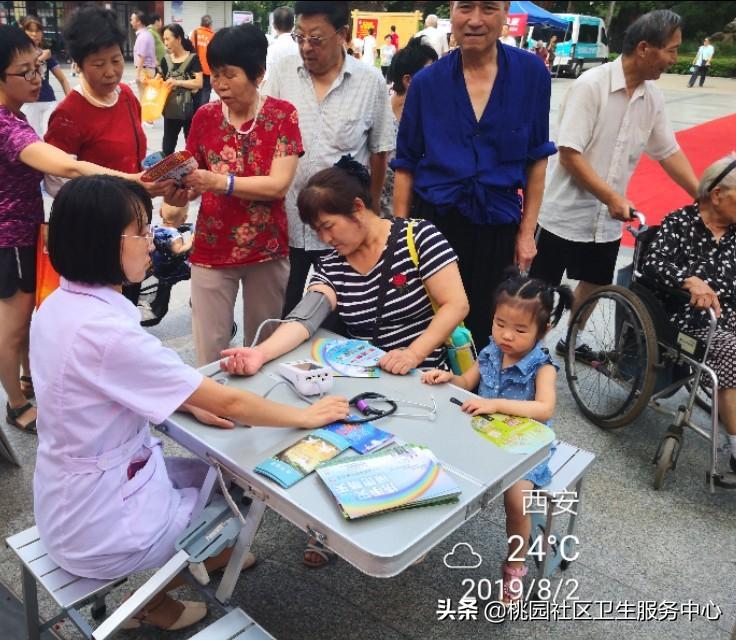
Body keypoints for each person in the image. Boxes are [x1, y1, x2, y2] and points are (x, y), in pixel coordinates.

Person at [31, 174, 348, 632]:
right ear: (104, 243)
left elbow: (105, 389)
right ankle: (155, 598)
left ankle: (209, 555)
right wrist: (304, 415)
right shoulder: (106, 332)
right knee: (238, 487)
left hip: (66, 497)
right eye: (141, 230)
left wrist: (181, 401)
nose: (152, 242)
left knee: (206, 475)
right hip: (99, 526)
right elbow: (229, 403)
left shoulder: (59, 305)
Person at [222, 159, 469, 567]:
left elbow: (456, 303)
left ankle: (411, 519)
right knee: (339, 436)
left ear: (357, 208)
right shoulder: (330, 263)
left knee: (414, 452)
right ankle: (337, 524)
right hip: (365, 376)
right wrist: (260, 352)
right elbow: (306, 319)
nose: (324, 238)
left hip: (425, 375)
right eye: (316, 231)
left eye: (328, 226)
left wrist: (414, 353)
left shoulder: (419, 237)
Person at [0, 24, 165, 434]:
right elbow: (69, 167)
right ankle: (16, 403)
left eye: (36, 65)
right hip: (4, 238)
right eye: (24, 71)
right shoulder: (4, 126)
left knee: (27, 319)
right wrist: (131, 180)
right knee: (13, 327)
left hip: (18, 230)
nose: (37, 78)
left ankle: (26, 380)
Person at [530, 10, 698, 358]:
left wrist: (702, 194)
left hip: (606, 219)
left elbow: (667, 151)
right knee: (541, 285)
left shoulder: (653, 98)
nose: (674, 59)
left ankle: (572, 338)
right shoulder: (592, 85)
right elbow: (569, 154)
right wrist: (610, 196)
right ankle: (529, 345)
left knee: (595, 283)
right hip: (564, 212)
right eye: (671, 50)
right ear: (643, 48)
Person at [392, 0, 556, 352]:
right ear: (451, 10)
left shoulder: (532, 74)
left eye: (489, 9)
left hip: (497, 225)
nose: (475, 20)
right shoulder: (426, 83)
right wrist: (399, 239)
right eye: (465, 7)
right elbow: (405, 164)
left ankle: (476, 401)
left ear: (506, 12)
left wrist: (527, 233)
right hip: (433, 226)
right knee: (428, 324)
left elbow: (536, 159)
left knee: (488, 328)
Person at [422, 270, 573, 604]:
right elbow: (466, 383)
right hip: (482, 437)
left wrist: (495, 403)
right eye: (499, 323)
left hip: (523, 448)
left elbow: (545, 409)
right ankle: (422, 535)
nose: (506, 335)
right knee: (431, 461)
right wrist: (448, 377)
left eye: (520, 330)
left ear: (543, 330)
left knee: (517, 502)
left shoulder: (543, 367)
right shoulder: (491, 351)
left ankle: (515, 565)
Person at [179, 24, 303, 366]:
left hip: (267, 249)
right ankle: (212, 413)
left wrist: (219, 182)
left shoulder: (282, 115)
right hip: (211, 246)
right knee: (209, 348)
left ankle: (253, 414)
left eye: (229, 75)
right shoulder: (204, 116)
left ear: (258, 74)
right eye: (215, 74)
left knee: (261, 349)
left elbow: (278, 185)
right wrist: (177, 192)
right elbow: (193, 179)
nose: (219, 84)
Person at [261, 1, 394, 318]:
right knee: (284, 309)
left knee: (343, 315)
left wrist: (371, 206)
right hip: (289, 218)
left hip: (342, 227)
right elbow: (265, 134)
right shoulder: (283, 72)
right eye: (300, 36)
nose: (306, 47)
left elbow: (379, 150)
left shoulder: (370, 81)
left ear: (342, 34)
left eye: (316, 38)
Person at [641, 155, 736, 482]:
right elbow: (653, 262)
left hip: (734, 317)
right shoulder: (680, 223)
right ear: (717, 194)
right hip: (689, 323)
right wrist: (689, 279)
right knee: (732, 351)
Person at [45, 6, 151, 306]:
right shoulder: (68, 114)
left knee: (129, 301)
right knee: (104, 308)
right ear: (77, 64)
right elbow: (56, 181)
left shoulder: (128, 97)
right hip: (96, 234)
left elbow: (135, 155)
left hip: (132, 224)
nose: (110, 72)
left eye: (116, 60)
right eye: (98, 64)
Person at [380, 38, 438, 215]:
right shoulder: (378, 118)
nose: (439, 81)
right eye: (432, 75)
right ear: (408, 80)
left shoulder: (433, 117)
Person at [141, 202, 192, 327]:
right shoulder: (174, 234)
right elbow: (178, 250)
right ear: (184, 218)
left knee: (162, 291)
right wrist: (192, 240)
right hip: (173, 270)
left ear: (160, 212)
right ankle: (199, 299)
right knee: (197, 268)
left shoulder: (156, 228)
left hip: (158, 267)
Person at [19, 15, 70, 137]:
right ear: (23, 32)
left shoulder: (46, 54)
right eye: (30, 30)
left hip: (49, 101)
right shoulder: (19, 55)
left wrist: (71, 102)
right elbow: (26, 77)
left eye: (37, 30)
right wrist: (41, 59)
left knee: (51, 136)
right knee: (33, 138)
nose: (34, 34)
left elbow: (62, 79)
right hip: (29, 103)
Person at [158, 23, 202, 156]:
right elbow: (158, 79)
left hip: (190, 110)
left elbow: (199, 83)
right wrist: (149, 81)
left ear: (178, 39)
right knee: (167, 147)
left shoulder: (193, 58)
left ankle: (192, 174)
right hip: (171, 110)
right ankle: (166, 174)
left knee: (191, 146)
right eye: (164, 39)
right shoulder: (165, 60)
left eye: (168, 39)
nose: (165, 43)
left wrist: (177, 82)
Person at [265, 5, 298, 79]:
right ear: (293, 25)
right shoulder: (299, 49)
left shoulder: (272, 49)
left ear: (274, 25)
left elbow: (269, 77)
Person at [130, 11, 156, 101]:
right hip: (147, 70)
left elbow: (142, 57)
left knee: (144, 98)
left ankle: (145, 115)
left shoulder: (143, 36)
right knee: (146, 98)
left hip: (145, 70)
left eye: (132, 19)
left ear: (139, 22)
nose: (131, 22)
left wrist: (137, 75)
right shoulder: (146, 34)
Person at [190, 14, 214, 111]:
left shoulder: (194, 33)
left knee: (195, 91)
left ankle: (196, 112)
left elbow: (189, 50)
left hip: (195, 68)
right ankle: (203, 112)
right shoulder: (212, 36)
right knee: (206, 92)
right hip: (208, 69)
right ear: (210, 25)